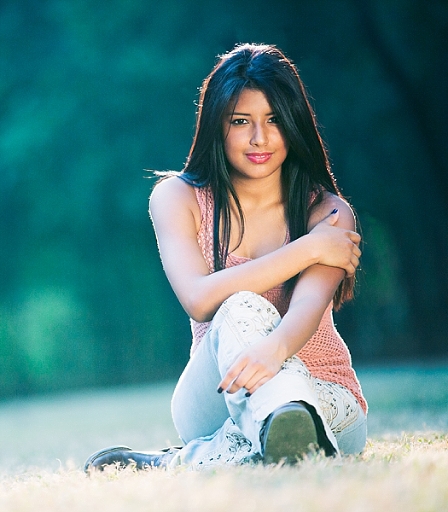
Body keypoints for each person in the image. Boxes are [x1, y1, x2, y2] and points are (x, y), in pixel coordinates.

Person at [84, 43, 367, 471]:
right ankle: (278, 427)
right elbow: (199, 300)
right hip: (219, 393)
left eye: (274, 120)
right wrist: (308, 248)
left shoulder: (326, 212)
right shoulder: (177, 198)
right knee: (238, 305)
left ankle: (191, 458)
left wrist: (275, 352)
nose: (260, 138)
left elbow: (307, 308)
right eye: (241, 121)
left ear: (294, 123)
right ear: (217, 124)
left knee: (296, 412)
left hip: (324, 394)